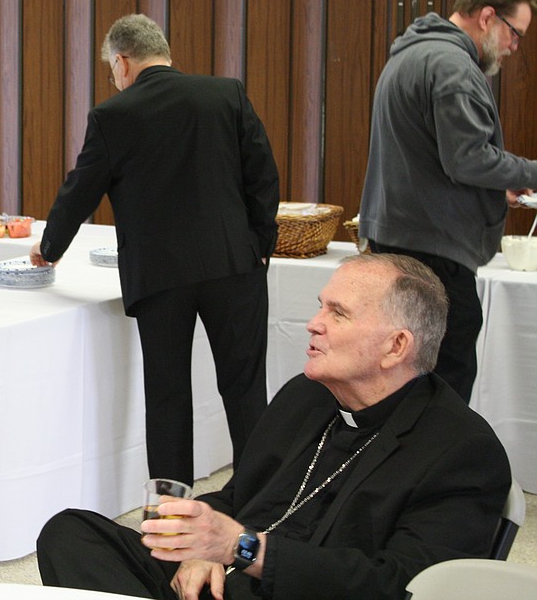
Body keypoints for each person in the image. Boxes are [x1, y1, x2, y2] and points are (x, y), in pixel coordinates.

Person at [37, 253, 511, 600]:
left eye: (337, 313)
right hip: (223, 580)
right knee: (71, 532)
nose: (313, 323)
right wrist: (200, 545)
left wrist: (242, 548)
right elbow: (238, 496)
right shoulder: (305, 396)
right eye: (321, 306)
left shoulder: (461, 450)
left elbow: (399, 584)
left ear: (396, 346)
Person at [31, 14, 280, 484]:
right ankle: (259, 506)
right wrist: (260, 245)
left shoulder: (113, 116)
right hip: (235, 266)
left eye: (111, 69)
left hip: (162, 278)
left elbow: (80, 190)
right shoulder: (225, 94)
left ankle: (171, 518)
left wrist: (50, 247)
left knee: (167, 398)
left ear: (123, 62)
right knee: (246, 390)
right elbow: (263, 175)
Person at [360, 0, 537, 404]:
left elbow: (433, 160)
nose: (515, 47)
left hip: (398, 240)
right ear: (488, 16)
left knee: (401, 379)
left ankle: (402, 469)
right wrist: (529, 173)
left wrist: (497, 191)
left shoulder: (412, 54)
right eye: (515, 33)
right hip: (435, 254)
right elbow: (468, 158)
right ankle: (435, 472)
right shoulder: (453, 66)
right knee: (446, 387)